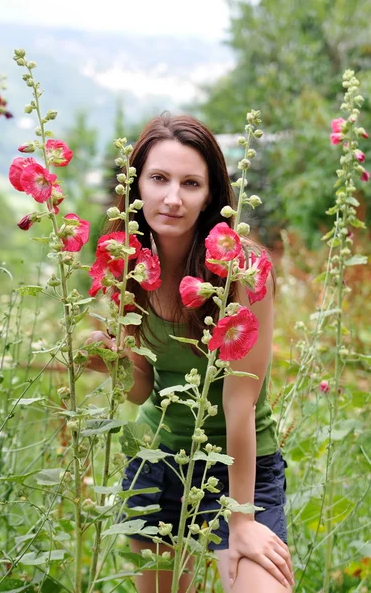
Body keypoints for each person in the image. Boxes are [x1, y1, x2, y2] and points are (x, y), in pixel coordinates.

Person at [86, 113, 294, 593]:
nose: (172, 197)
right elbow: (141, 390)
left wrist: (241, 519)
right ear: (137, 185)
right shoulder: (127, 266)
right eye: (158, 178)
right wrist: (113, 362)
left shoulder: (243, 272)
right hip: (157, 463)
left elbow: (239, 405)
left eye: (191, 183)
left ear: (210, 197)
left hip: (241, 470)